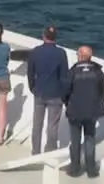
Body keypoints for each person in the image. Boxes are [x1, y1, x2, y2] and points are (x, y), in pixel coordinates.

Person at [62, 45, 104, 178]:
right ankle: (91, 170)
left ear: (81, 56)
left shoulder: (73, 72)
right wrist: (97, 103)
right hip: (91, 112)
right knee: (90, 140)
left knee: (75, 141)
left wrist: (68, 103)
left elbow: (65, 92)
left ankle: (75, 169)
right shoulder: (98, 72)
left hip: (75, 112)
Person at [27, 25, 68, 155]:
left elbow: (30, 73)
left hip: (39, 92)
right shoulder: (61, 53)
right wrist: (64, 93)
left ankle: (35, 151)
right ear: (55, 38)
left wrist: (32, 87)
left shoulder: (35, 52)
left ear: (43, 36)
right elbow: (64, 76)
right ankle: (50, 151)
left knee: (37, 125)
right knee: (52, 126)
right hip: (55, 94)